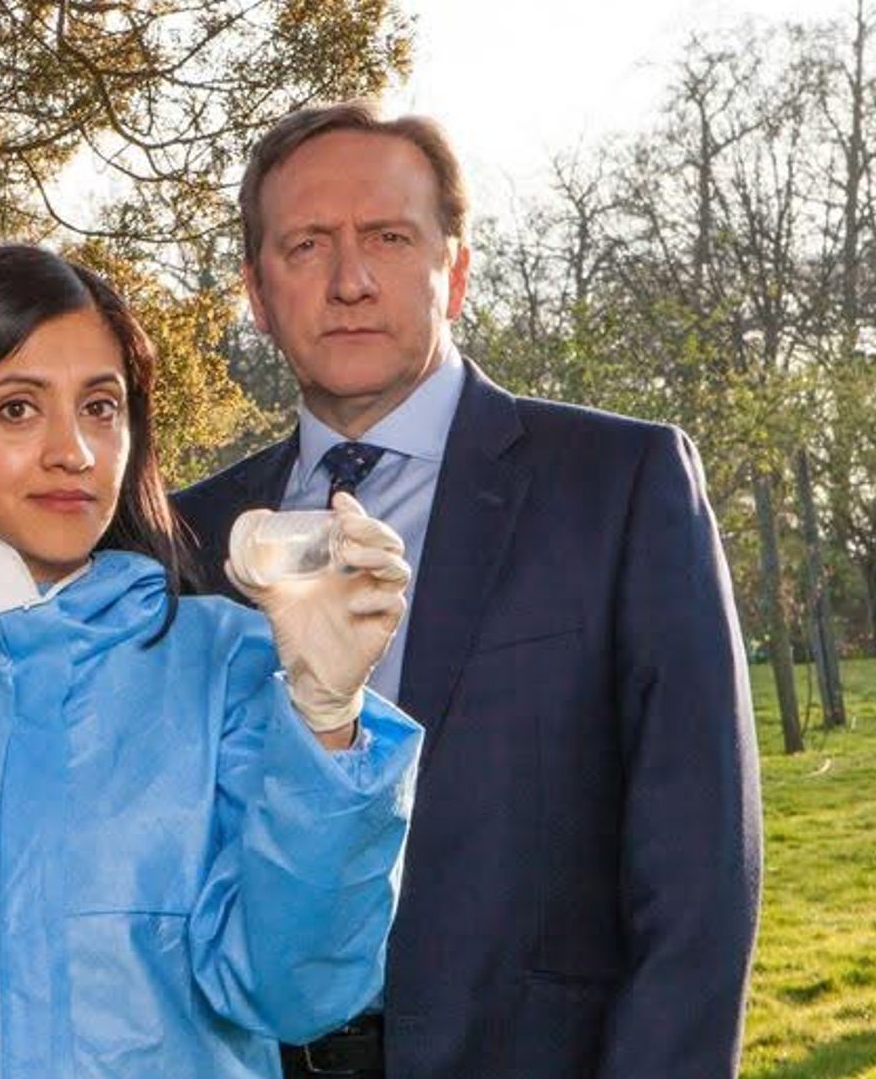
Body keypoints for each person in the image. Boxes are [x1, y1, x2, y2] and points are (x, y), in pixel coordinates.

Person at [173, 101, 764, 1079]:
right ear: (256, 291)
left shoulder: (620, 485)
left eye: (390, 238)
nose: (351, 280)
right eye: (307, 244)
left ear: (457, 270)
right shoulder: (187, 540)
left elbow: (700, 883)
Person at [0, 245, 424, 1079]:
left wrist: (324, 719)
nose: (75, 452)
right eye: (18, 409)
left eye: (101, 407)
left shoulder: (225, 665)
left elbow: (298, 994)